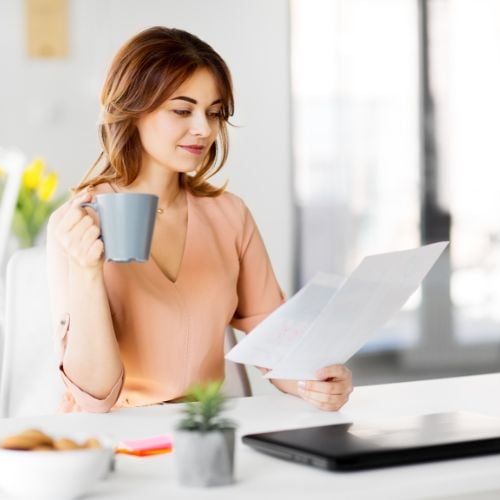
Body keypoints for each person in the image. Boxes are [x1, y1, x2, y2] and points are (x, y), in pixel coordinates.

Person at [47, 26, 353, 413]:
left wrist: (316, 379)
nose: (204, 129)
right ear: (133, 109)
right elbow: (95, 396)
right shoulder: (78, 223)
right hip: (115, 438)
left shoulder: (230, 215)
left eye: (214, 113)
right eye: (182, 110)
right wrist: (86, 271)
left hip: (204, 428)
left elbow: (276, 339)